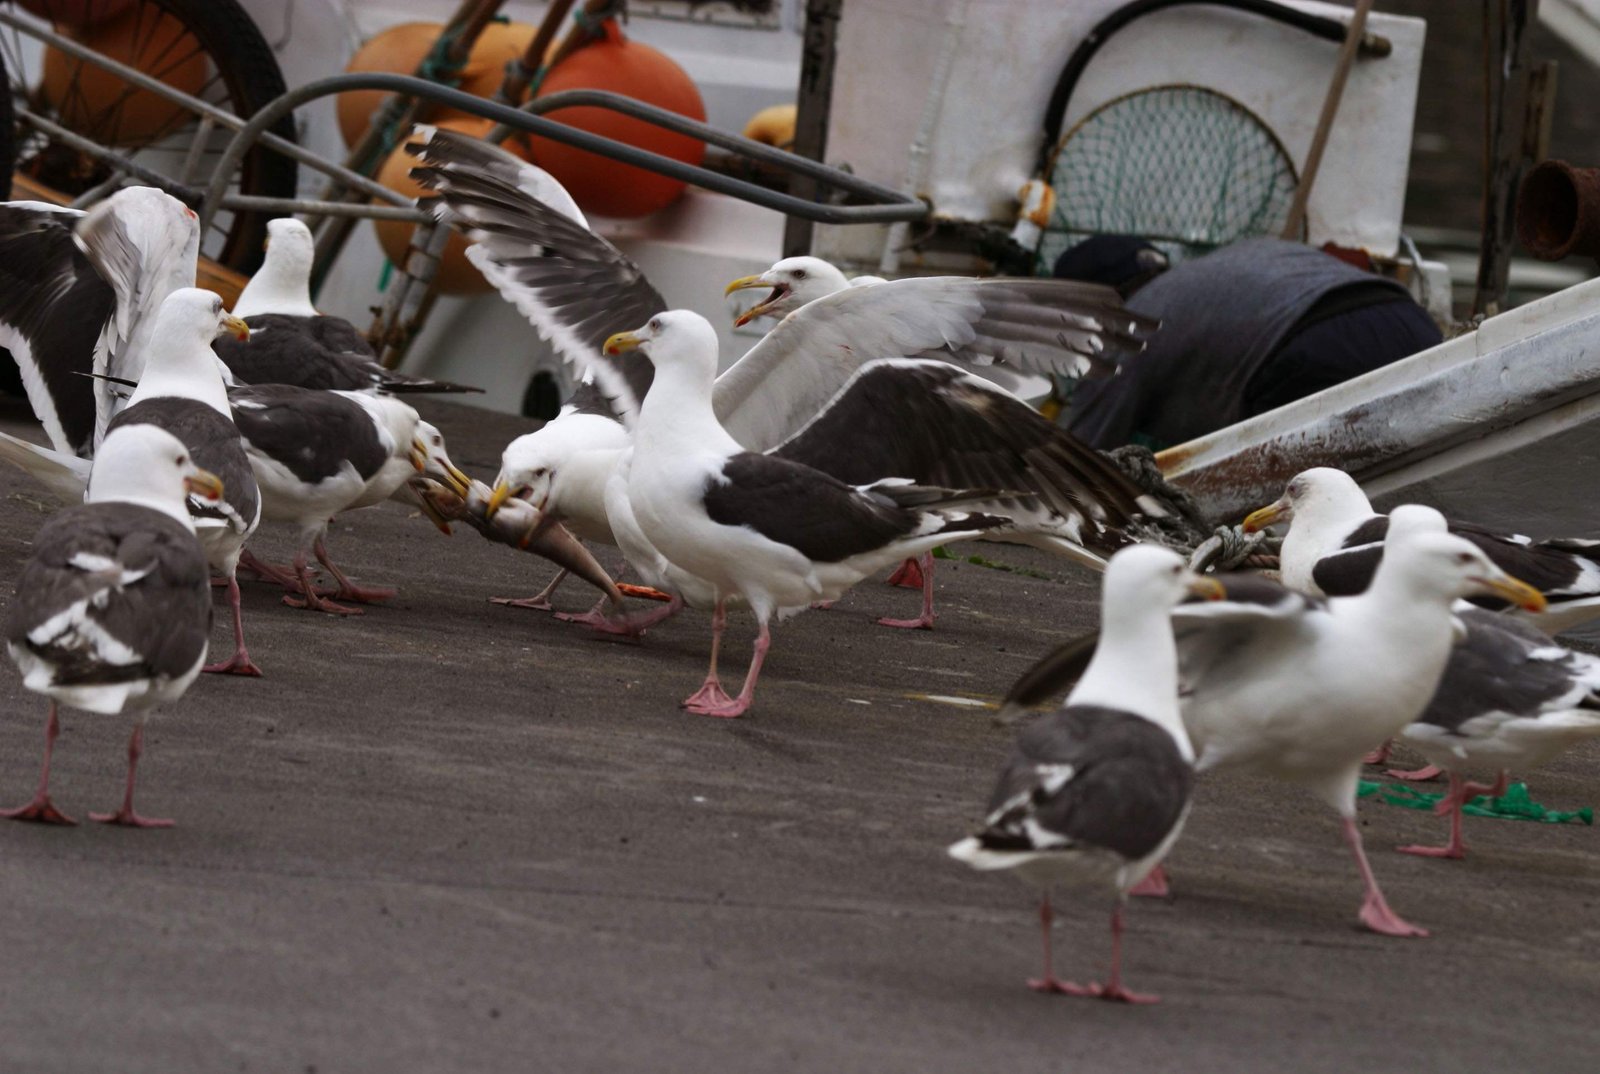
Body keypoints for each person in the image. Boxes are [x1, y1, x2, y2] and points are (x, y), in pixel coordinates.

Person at [1055, 236, 1442, 451]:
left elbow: (1079, 461)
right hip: (1410, 323)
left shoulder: (1128, 324)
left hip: (1314, 348)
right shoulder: (1225, 262)